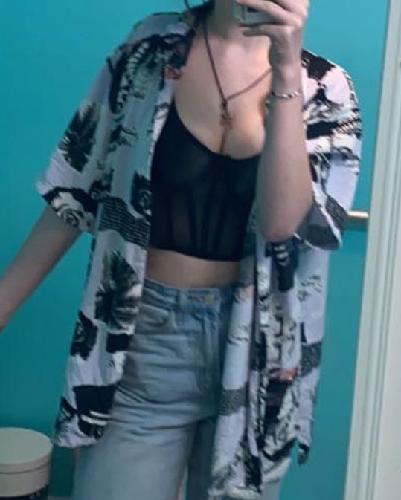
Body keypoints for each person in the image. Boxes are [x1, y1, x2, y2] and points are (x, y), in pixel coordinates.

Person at [0, 0, 363, 499]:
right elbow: (75, 189)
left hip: (257, 354)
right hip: (145, 339)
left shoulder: (326, 88)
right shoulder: (149, 50)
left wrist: (285, 69)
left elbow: (282, 224)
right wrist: (4, 304)